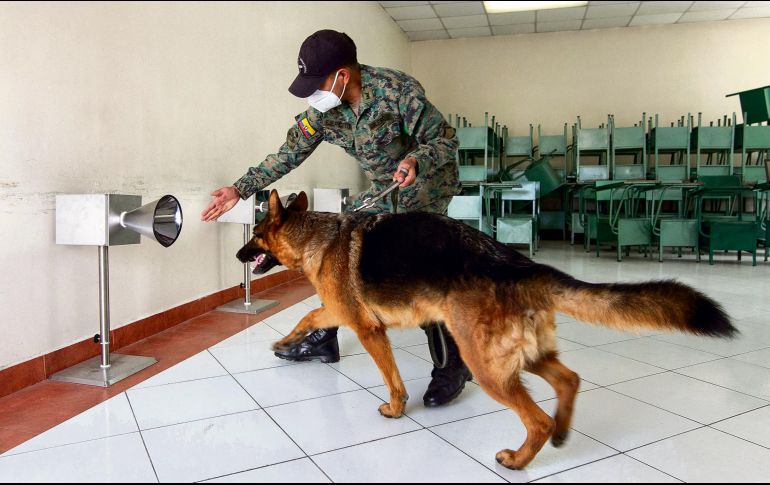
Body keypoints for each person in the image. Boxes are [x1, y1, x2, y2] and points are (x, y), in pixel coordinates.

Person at [202, 29, 471, 407]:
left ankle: (451, 366)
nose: (314, 94)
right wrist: (239, 189)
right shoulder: (324, 112)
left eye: (318, 83)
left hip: (425, 186)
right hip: (383, 188)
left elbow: (445, 140)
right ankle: (323, 339)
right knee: (335, 249)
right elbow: (288, 153)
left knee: (419, 272)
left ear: (343, 75)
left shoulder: (398, 91)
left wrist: (415, 160)